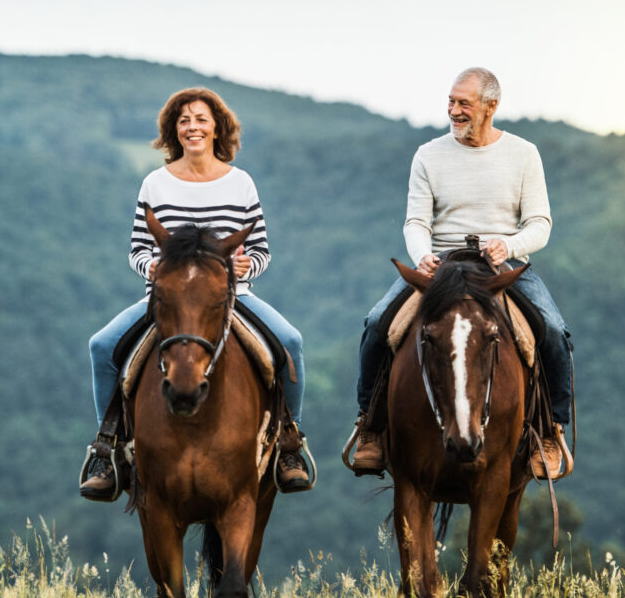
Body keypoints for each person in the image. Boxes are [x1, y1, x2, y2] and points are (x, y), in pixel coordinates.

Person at [81, 87, 309, 500]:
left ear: (217, 127)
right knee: (102, 346)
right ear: (174, 131)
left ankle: (289, 443)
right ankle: (107, 446)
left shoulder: (241, 184)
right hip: (167, 297)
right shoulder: (155, 183)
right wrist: (150, 267)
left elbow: (261, 251)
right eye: (184, 120)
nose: (192, 127)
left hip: (231, 297)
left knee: (290, 342)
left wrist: (245, 267)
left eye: (201, 119)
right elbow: (137, 250)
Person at [350, 67, 574, 480]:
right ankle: (371, 427)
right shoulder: (428, 155)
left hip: (498, 265)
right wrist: (421, 255)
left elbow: (540, 223)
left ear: (491, 106)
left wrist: (509, 245)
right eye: (451, 102)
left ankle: (549, 430)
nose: (453, 110)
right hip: (441, 265)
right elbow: (416, 221)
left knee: (554, 331)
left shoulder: (524, 154)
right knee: (378, 322)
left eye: (463, 104)